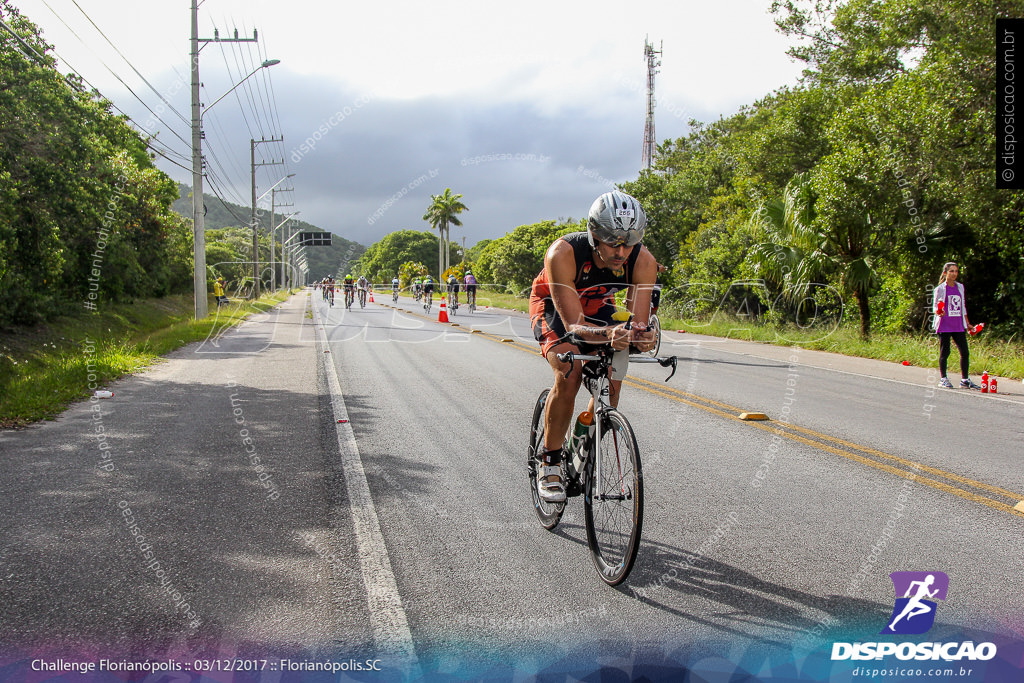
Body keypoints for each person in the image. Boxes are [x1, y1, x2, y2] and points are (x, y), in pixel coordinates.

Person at [529, 191, 657, 502]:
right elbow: (573, 325)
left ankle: (582, 435)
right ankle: (551, 462)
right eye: (613, 240)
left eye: (630, 239)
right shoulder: (563, 253)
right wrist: (612, 334)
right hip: (555, 307)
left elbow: (636, 323)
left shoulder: (643, 261)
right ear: (594, 233)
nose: (621, 250)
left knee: (612, 384)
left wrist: (641, 336)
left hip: (599, 304)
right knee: (570, 371)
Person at [933, 261, 980, 389]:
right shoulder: (940, 289)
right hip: (945, 324)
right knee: (945, 352)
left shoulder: (960, 287)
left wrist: (968, 323)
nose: (954, 274)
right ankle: (943, 378)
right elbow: (935, 307)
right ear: (945, 273)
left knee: (965, 352)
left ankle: (965, 380)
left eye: (956, 271)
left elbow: (962, 306)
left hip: (958, 324)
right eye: (951, 271)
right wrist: (939, 312)